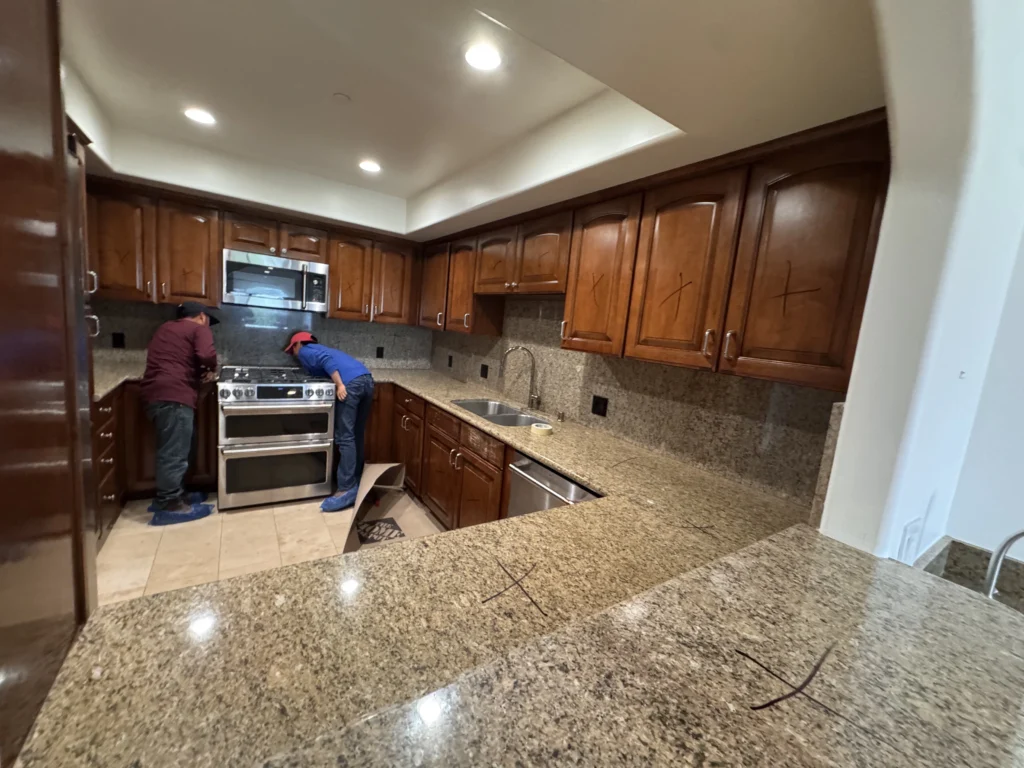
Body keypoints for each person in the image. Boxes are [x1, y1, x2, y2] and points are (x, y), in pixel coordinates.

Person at [140, 302, 220, 525]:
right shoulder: (198, 328)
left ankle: (175, 494)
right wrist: (211, 369)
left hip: (156, 394)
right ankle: (169, 504)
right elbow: (206, 354)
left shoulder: (165, 328)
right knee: (175, 451)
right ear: (202, 316)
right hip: (174, 395)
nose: (208, 328)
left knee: (177, 446)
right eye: (209, 324)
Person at [284, 331, 374, 512]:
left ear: (297, 344)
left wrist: (340, 385)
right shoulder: (321, 348)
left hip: (350, 385)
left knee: (344, 437)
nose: (294, 355)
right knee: (356, 434)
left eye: (292, 350)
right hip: (367, 381)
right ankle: (356, 479)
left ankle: (346, 488)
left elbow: (327, 361)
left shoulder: (305, 350)